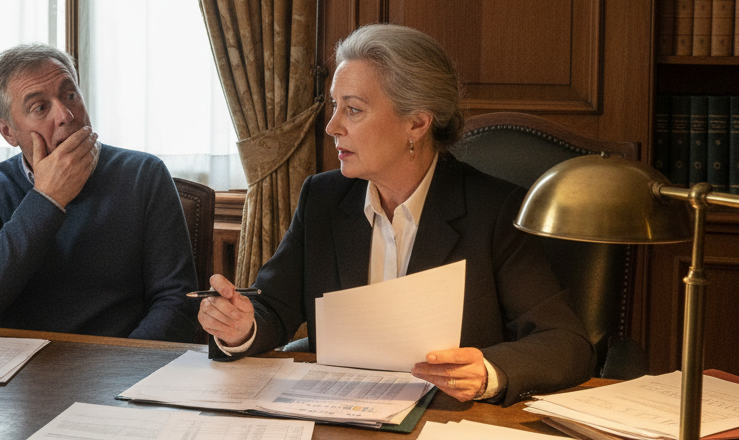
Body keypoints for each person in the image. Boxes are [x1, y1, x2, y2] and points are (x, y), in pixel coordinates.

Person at [198, 24, 592, 404]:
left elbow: (565, 343)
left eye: (353, 110)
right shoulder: (323, 198)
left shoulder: (493, 209)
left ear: (417, 123)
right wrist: (240, 327)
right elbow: (273, 307)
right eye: (336, 107)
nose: (332, 127)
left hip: (448, 426)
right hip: (337, 416)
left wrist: (488, 372)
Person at [0, 43, 201, 342]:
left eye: (70, 95)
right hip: (21, 375)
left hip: (120, 367)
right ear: (7, 131)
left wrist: (119, 372)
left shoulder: (143, 174)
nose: (66, 114)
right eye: (40, 107)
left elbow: (177, 302)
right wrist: (46, 199)